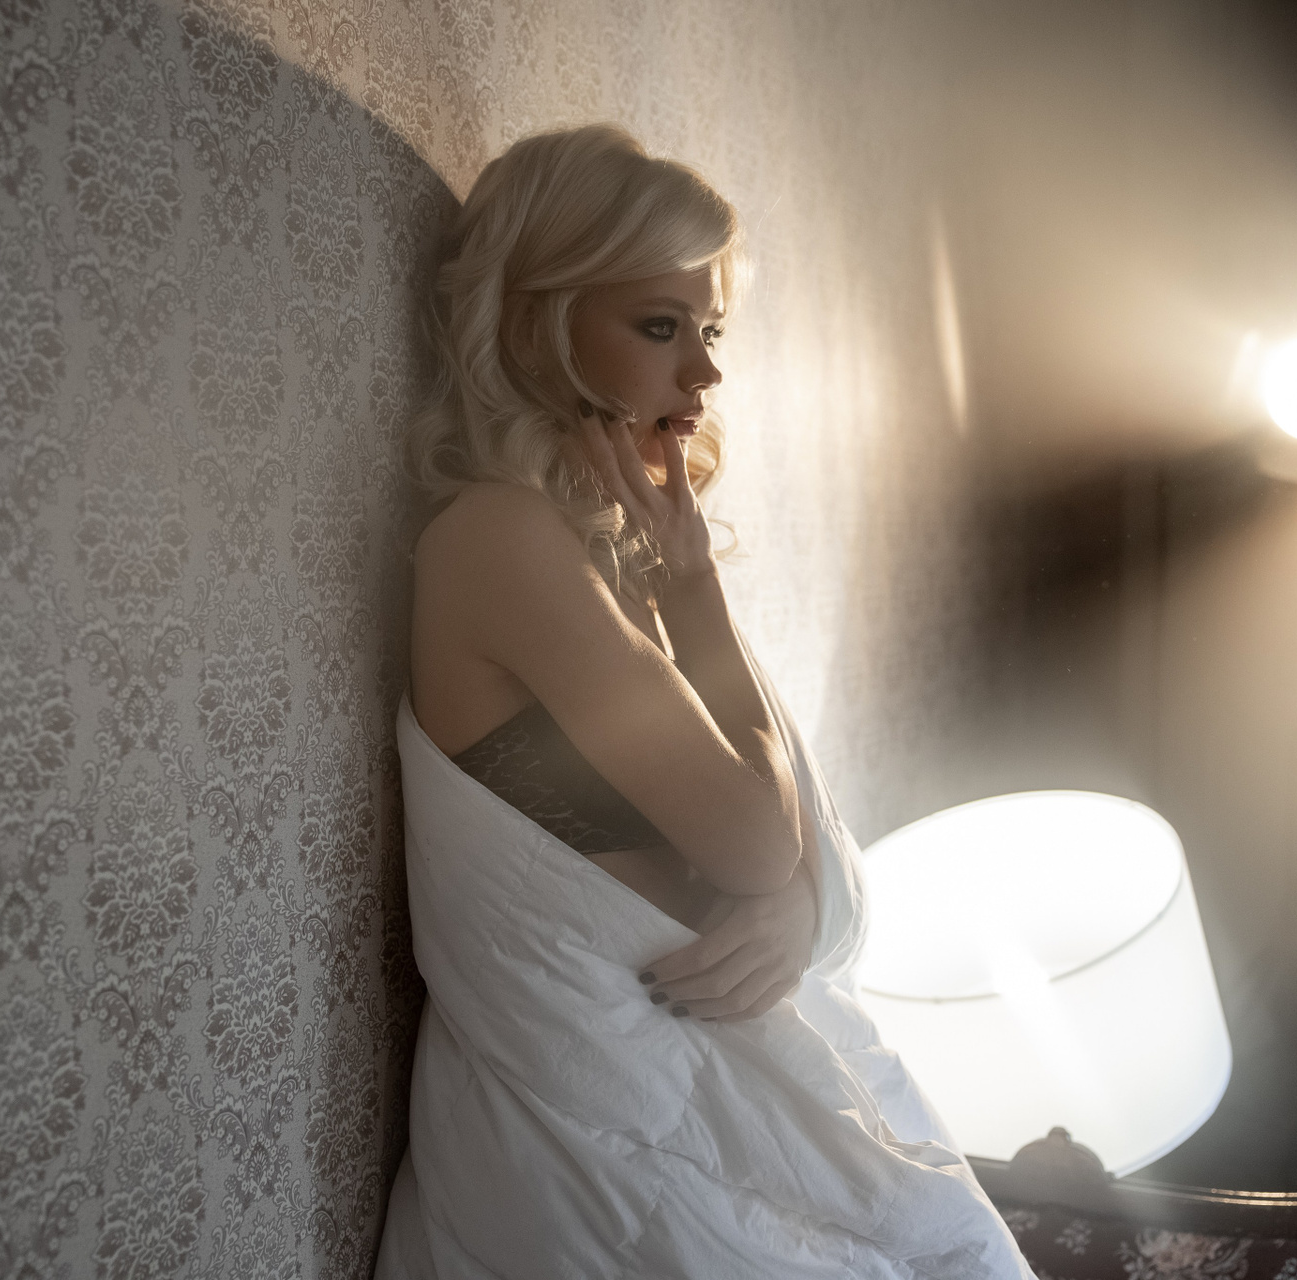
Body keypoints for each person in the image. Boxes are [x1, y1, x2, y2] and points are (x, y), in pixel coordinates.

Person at [380, 124, 1032, 1279]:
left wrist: (794, 907)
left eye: (710, 330)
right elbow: (755, 836)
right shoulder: (500, 541)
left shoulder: (602, 553)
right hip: (600, 1121)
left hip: (700, 1080)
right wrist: (696, 596)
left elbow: (810, 858)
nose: (706, 375)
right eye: (660, 325)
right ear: (539, 323)